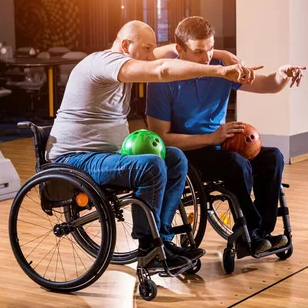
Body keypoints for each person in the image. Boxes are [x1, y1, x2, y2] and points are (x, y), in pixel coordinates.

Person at [46, 20, 258, 271]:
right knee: (151, 165)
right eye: (146, 49)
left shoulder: (130, 57)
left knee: (175, 158)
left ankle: (163, 241)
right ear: (126, 45)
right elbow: (161, 69)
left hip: (109, 156)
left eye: (152, 48)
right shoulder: (103, 63)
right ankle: (148, 248)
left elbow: (170, 52)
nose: (151, 55)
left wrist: (219, 55)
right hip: (76, 158)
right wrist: (218, 71)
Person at [146, 16, 305, 254]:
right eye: (199, 51)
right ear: (179, 50)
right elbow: (160, 138)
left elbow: (268, 84)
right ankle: (247, 235)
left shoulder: (222, 70)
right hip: (187, 152)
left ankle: (262, 232)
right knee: (235, 163)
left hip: (221, 146)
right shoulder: (162, 81)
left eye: (210, 49)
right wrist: (211, 138)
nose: (207, 57)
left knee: (273, 157)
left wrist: (283, 74)